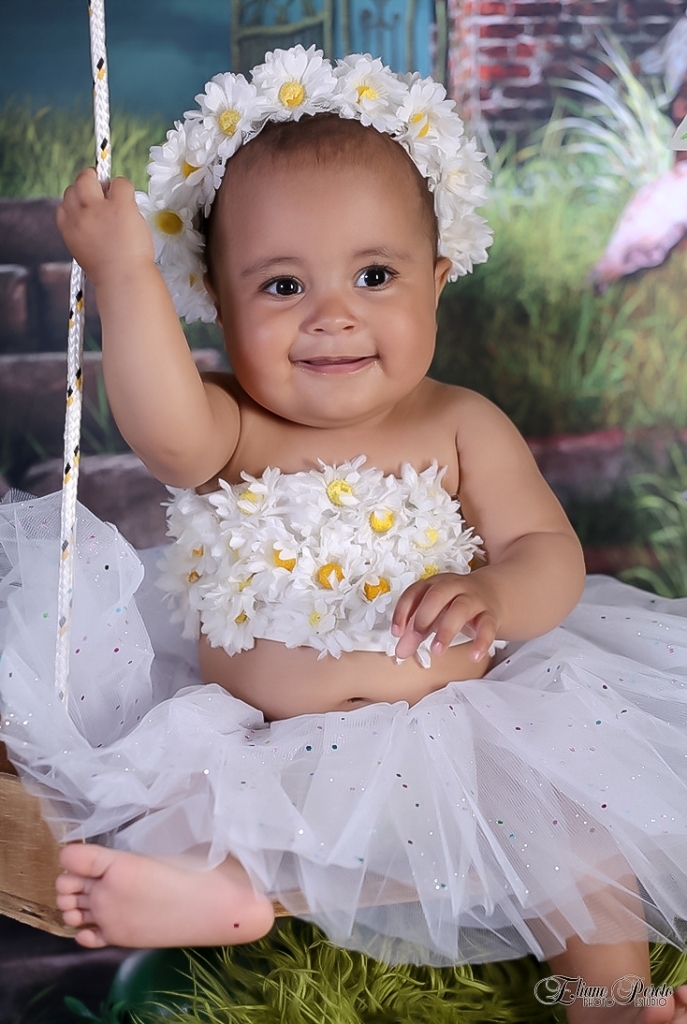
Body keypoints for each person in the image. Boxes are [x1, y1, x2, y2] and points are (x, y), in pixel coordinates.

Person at [1, 45, 687, 1024]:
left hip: (458, 721)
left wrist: (496, 593)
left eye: (373, 275)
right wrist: (121, 271)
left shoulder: (461, 422)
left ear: (437, 281)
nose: (332, 317)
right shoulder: (233, 425)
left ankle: (608, 1001)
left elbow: (548, 553)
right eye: (282, 286)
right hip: (269, 732)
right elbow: (163, 433)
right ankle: (218, 900)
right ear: (218, 301)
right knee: (202, 788)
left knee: (582, 822)